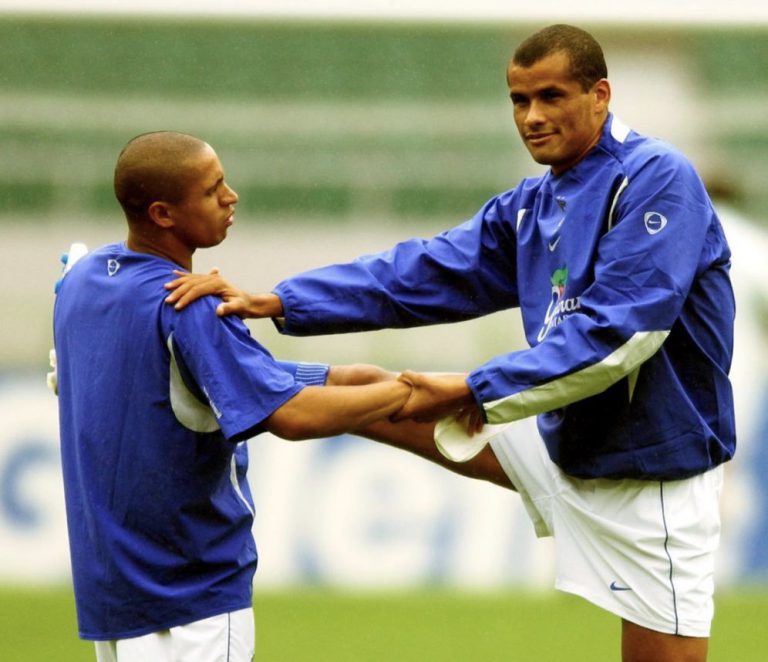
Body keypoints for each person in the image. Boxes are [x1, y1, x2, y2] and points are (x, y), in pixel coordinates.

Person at [165, 24, 736, 662]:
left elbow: (621, 335)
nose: (532, 116)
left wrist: (472, 389)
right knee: (372, 393)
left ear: (599, 95)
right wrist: (282, 301)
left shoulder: (655, 178)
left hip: (653, 478)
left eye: (551, 96)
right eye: (519, 100)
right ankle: (235, 382)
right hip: (565, 443)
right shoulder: (533, 203)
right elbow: (420, 272)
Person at [53, 131, 500, 662]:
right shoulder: (189, 306)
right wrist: (413, 392)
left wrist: (378, 382)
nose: (231, 196)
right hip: (192, 601)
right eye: (211, 189)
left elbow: (213, 375)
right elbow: (291, 416)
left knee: (356, 378)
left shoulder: (82, 281)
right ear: (163, 214)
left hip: (112, 605)